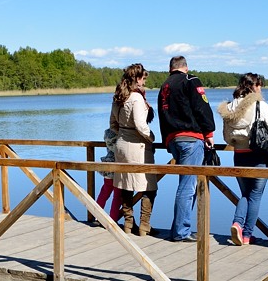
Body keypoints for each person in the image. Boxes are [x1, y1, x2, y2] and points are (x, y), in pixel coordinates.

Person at [157, 56, 216, 242]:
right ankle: (181, 232)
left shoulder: (164, 86)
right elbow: (202, 107)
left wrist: (166, 140)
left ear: (170, 69)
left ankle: (179, 228)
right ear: (186, 67)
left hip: (172, 139)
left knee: (185, 185)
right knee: (187, 187)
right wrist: (209, 133)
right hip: (190, 138)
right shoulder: (191, 80)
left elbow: (162, 114)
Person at [217, 73, 268, 246]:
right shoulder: (260, 104)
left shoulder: (229, 107)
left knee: (245, 194)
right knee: (255, 195)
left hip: (239, 154)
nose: (261, 88)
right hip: (259, 154)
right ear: (254, 86)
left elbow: (226, 137)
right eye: (259, 85)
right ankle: (246, 235)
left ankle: (237, 223)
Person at [109, 63, 159, 236]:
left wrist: (123, 133)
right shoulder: (136, 98)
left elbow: (113, 124)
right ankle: (144, 227)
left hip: (121, 145)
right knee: (149, 187)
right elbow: (140, 124)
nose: (144, 83)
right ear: (137, 79)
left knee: (126, 186)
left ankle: (129, 224)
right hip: (137, 146)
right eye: (144, 79)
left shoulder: (118, 97)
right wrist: (151, 137)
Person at [88, 127, 124, 227]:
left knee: (105, 192)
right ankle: (113, 219)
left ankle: (97, 216)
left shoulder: (107, 132)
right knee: (117, 195)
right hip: (117, 165)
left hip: (108, 164)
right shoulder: (121, 133)